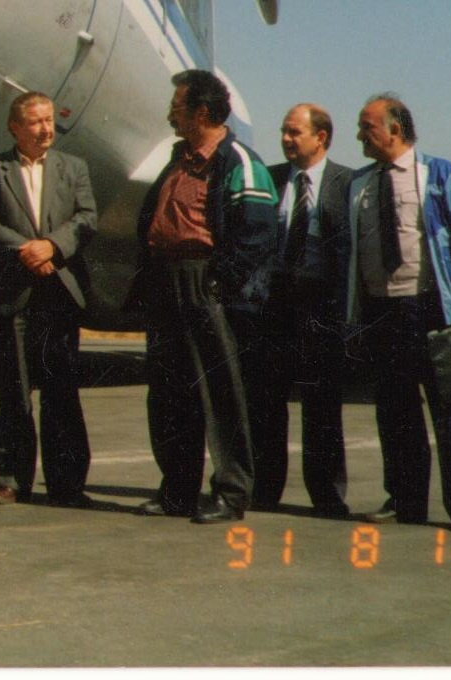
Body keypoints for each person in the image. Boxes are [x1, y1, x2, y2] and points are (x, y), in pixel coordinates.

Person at [134, 69, 276, 524]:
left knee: (220, 393)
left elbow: (256, 233)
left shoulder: (239, 161)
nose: (169, 115)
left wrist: (219, 282)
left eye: (176, 108)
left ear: (200, 112)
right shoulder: (179, 160)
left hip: (204, 282)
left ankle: (231, 493)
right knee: (169, 391)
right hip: (167, 281)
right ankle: (177, 490)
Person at [348, 94, 451, 530]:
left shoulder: (442, 175)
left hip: (431, 307)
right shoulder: (359, 184)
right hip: (381, 309)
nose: (359, 135)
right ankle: (406, 500)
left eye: (367, 126)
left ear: (395, 129)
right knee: (395, 410)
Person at [0, 91, 98, 509]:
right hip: (14, 293)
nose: (46, 129)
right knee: (14, 389)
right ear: (14, 127)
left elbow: (86, 218)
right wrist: (29, 249)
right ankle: (11, 480)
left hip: (59, 293)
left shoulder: (73, 168)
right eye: (36, 122)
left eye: (49, 121)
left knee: (61, 390)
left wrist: (52, 248)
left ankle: (67, 484)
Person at [243, 104, 353, 517]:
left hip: (321, 303)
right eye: (284, 132)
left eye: (295, 133)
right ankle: (264, 488)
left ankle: (326, 493)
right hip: (276, 304)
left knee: (322, 403)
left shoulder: (347, 182)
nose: (286, 139)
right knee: (267, 402)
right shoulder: (270, 179)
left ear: (321, 137)